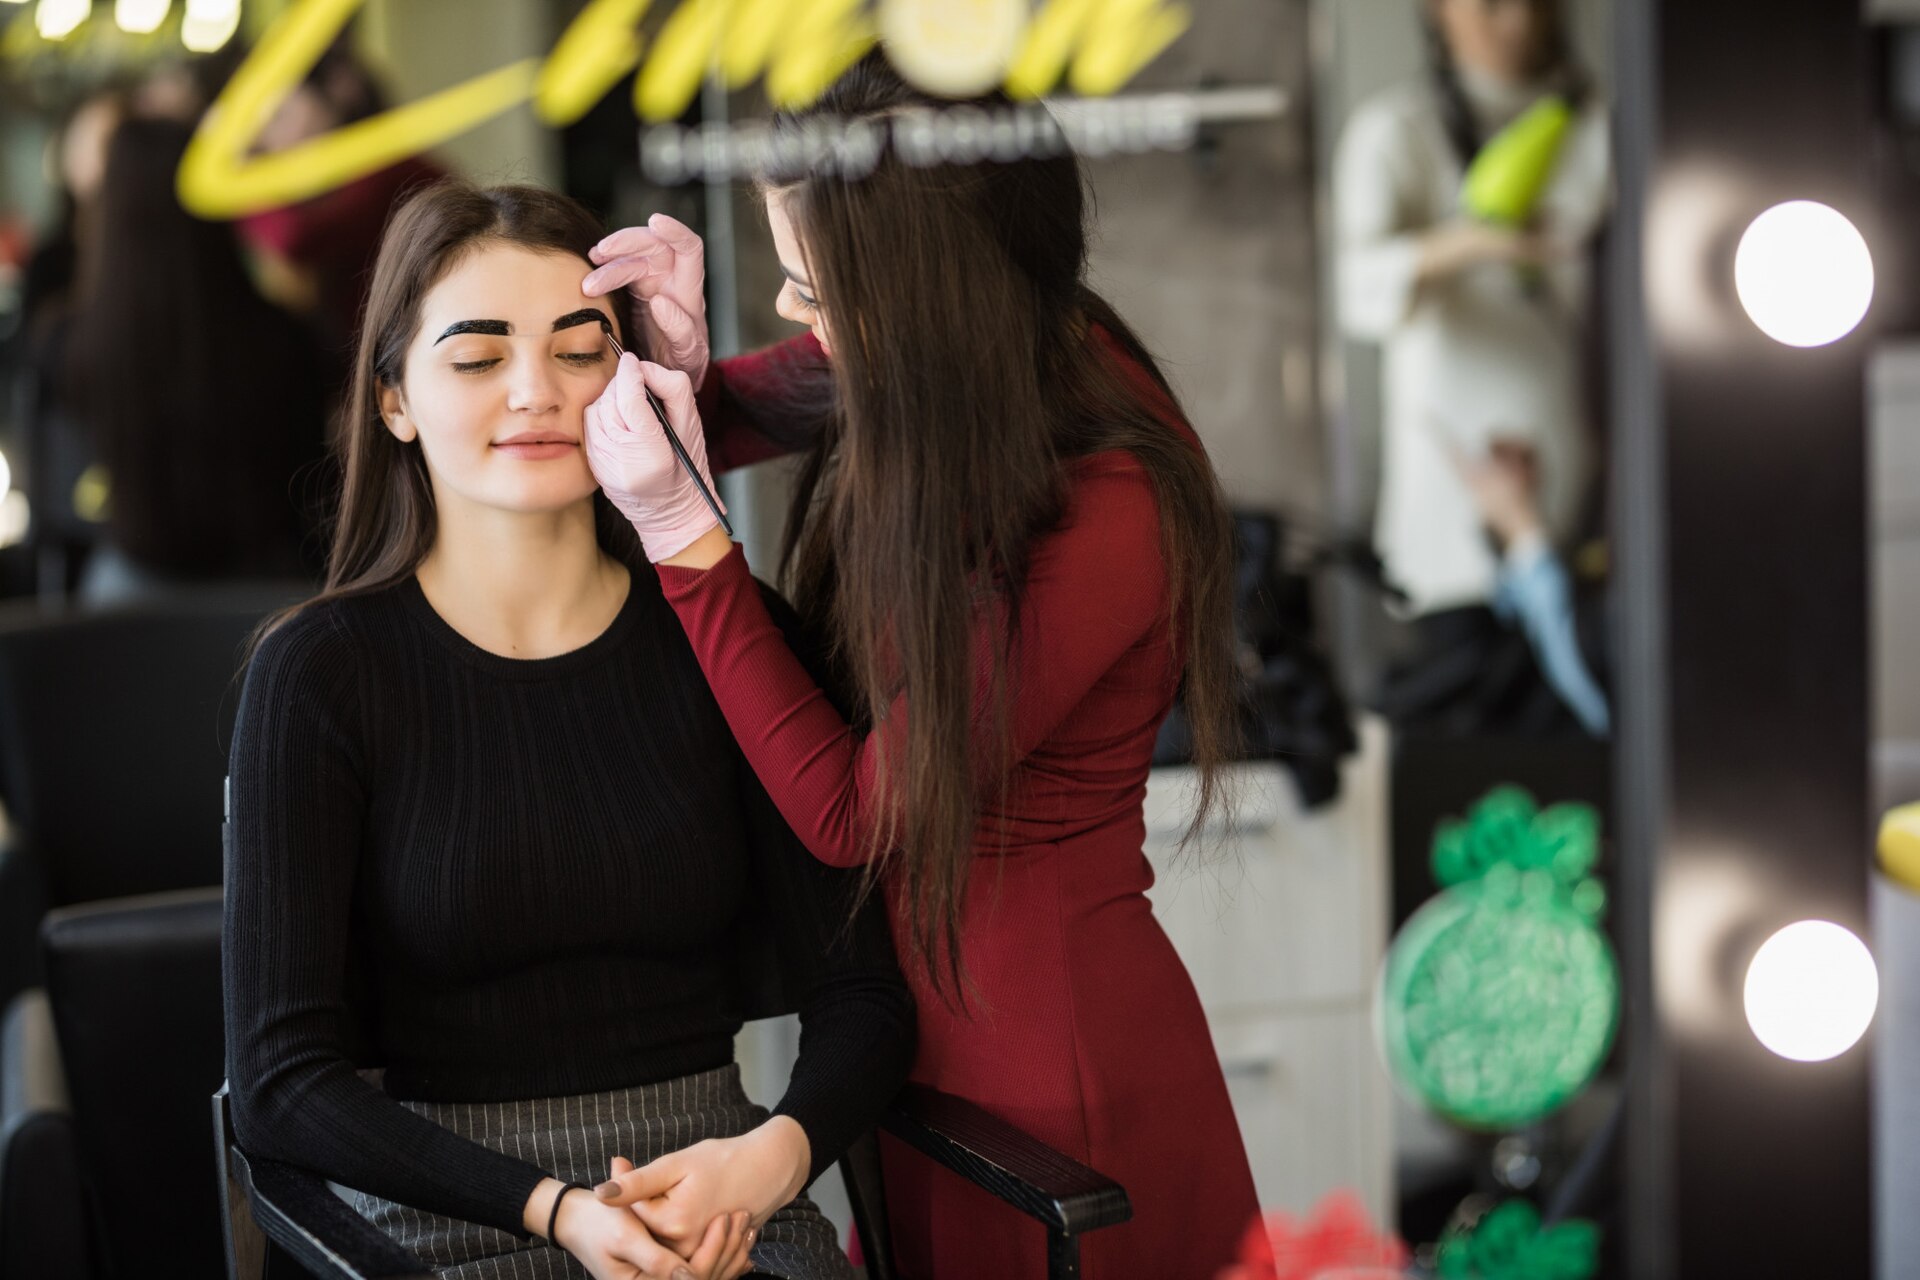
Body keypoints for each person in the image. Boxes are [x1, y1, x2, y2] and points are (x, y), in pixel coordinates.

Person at [580, 52, 1261, 1280]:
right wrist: (677, 361)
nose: (797, 317)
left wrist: (689, 543)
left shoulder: (1111, 503)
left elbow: (852, 811)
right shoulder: (982, 350)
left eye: (813, 287)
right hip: (915, 1015)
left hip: (1044, 1058)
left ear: (927, 295)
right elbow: (729, 417)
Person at [224, 180, 914, 1280]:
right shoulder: (319, 674)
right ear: (395, 397)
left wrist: (767, 1162)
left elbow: (864, 996)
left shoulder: (724, 632)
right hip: (434, 1224)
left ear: (631, 375)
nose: (536, 391)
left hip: (718, 1208)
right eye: (478, 356)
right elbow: (277, 1083)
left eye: (578, 348)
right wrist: (553, 1209)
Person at [1332, 0, 1610, 656]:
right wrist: (1473, 244)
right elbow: (1359, 293)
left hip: (1585, 496)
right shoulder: (1396, 131)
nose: (1514, 18)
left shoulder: (1602, 128)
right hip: (1449, 520)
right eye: (1488, 4)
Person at [53, 116, 331, 598]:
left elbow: (67, 499)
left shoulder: (73, 346)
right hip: (272, 590)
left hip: (130, 594)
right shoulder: (285, 335)